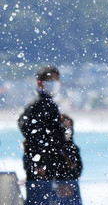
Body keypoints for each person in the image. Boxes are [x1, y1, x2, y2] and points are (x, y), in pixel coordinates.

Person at [19, 65, 69, 205]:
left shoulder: (48, 103)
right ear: (39, 83)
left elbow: (55, 139)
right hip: (40, 167)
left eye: (56, 81)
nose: (54, 85)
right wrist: (39, 163)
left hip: (51, 166)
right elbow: (33, 136)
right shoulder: (37, 104)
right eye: (50, 81)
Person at [53, 115, 83, 205]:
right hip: (58, 187)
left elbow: (78, 169)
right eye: (65, 127)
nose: (67, 131)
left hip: (72, 186)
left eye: (69, 128)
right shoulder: (54, 148)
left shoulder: (73, 148)